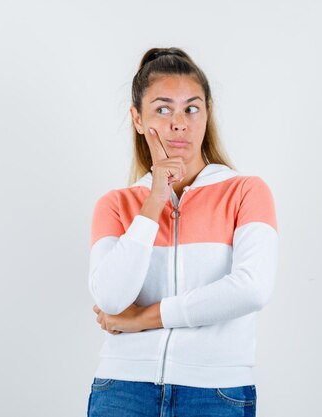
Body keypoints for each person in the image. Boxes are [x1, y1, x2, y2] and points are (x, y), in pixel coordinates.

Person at [86, 47, 279, 417]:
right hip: (122, 390)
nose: (179, 123)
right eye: (163, 108)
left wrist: (143, 318)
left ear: (207, 115)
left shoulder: (246, 192)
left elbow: (252, 288)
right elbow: (110, 300)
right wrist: (154, 199)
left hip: (215, 391)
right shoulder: (116, 204)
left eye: (192, 108)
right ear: (137, 119)